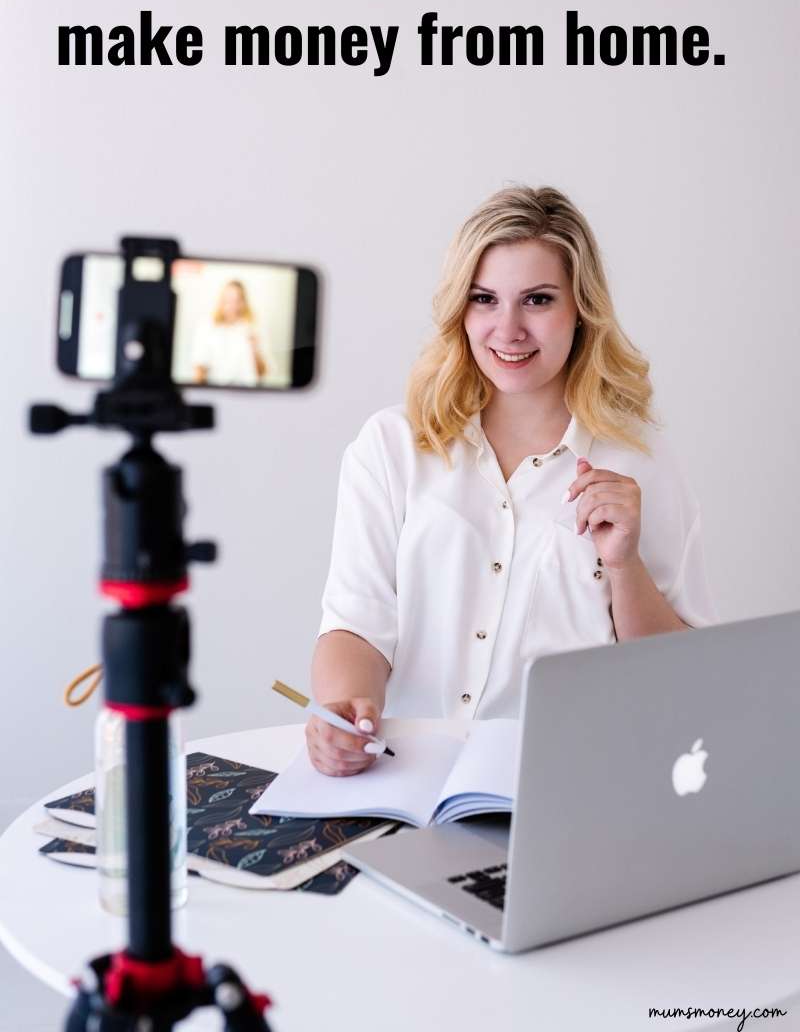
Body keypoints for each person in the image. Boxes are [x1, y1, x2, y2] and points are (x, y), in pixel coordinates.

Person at [307, 186, 716, 776]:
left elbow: (682, 680)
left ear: (582, 309)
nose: (509, 329)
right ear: (460, 309)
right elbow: (356, 626)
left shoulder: (639, 462)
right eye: (484, 299)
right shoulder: (392, 447)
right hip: (411, 780)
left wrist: (625, 566)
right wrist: (345, 708)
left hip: (575, 786)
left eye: (538, 300)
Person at [191, 279, 268, 386]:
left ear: (244, 303)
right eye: (228, 300)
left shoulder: (253, 328)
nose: (233, 305)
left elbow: (262, 372)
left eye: (238, 300)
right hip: (216, 391)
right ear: (221, 300)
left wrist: (255, 350)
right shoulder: (207, 327)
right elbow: (199, 368)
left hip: (247, 394)